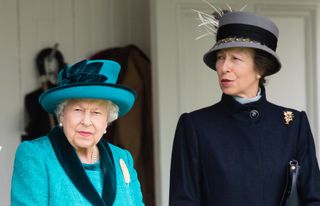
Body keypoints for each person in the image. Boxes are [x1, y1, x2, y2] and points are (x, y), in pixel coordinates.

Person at [169, 10, 320, 205]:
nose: (224, 67)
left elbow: (313, 198)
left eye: (235, 59)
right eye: (221, 57)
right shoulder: (195, 126)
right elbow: (183, 201)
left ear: (260, 69)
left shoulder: (293, 124)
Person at [11, 59, 144, 205]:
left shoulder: (122, 158)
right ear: (61, 114)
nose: (86, 121)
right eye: (78, 110)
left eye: (96, 112)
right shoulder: (36, 155)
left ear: (107, 120)